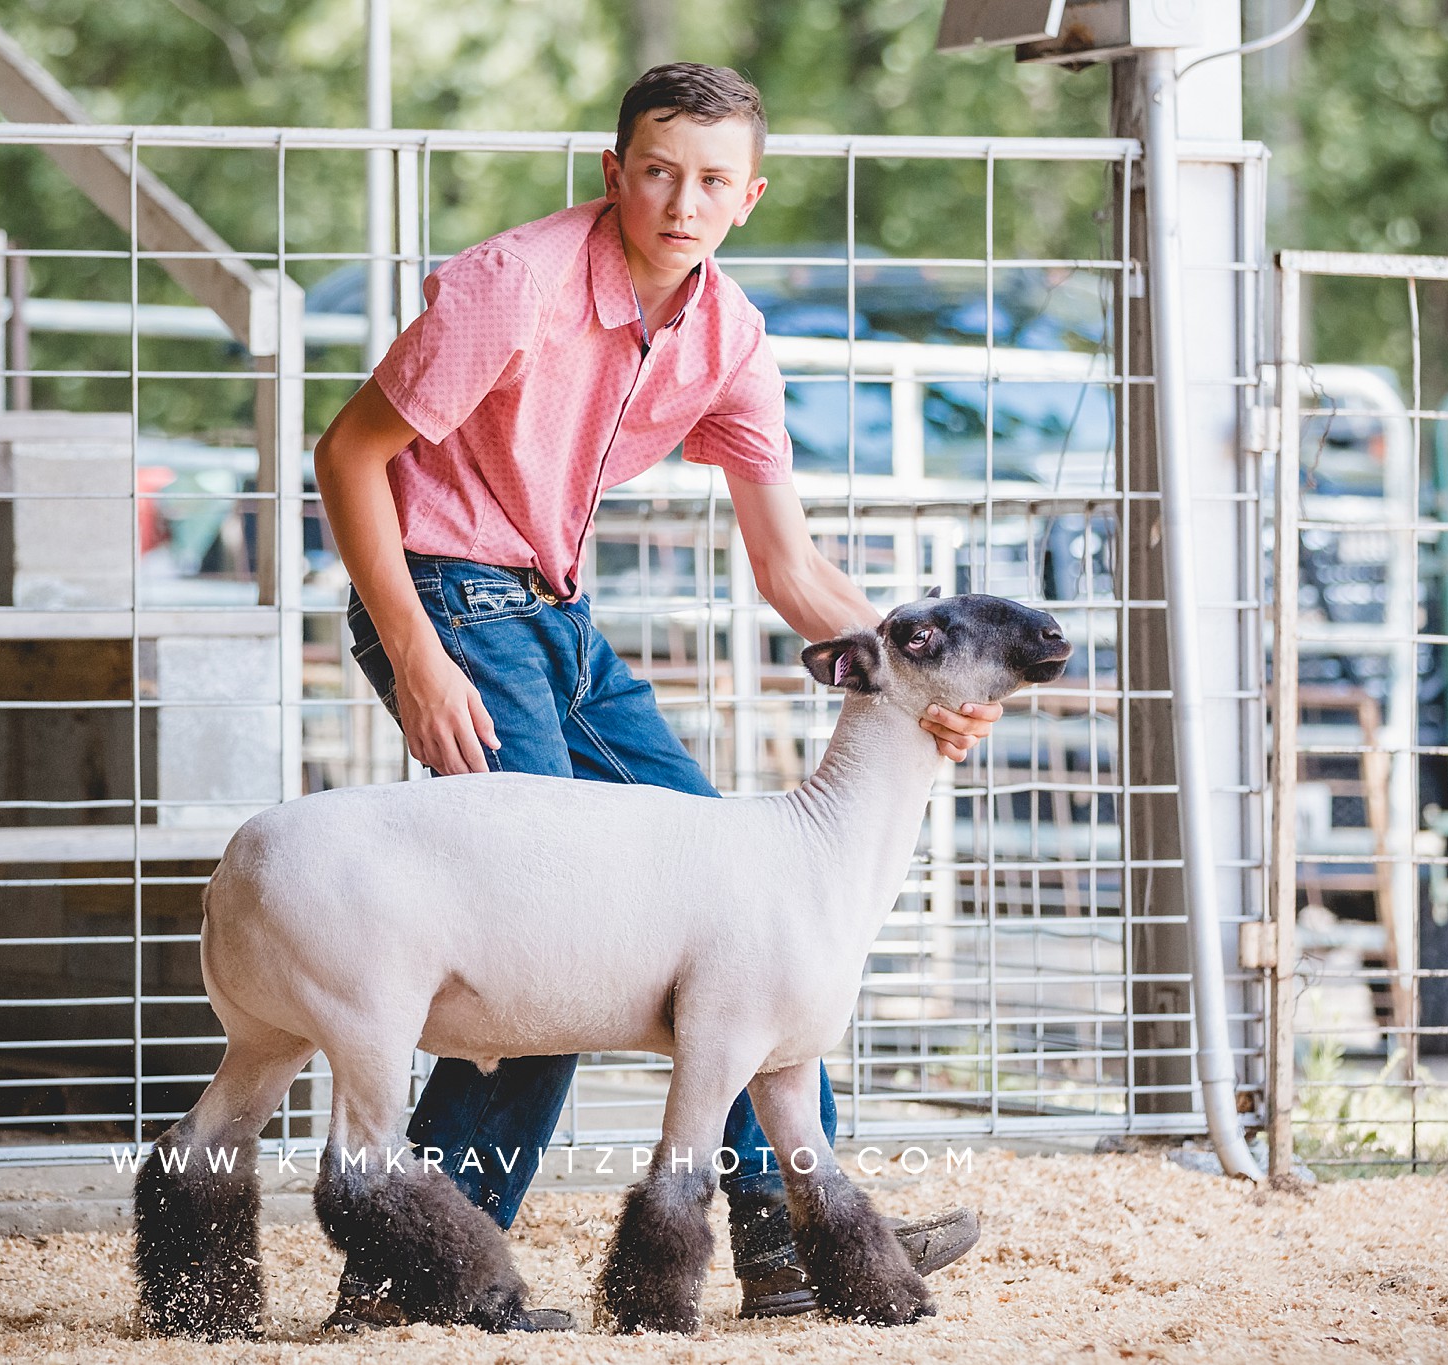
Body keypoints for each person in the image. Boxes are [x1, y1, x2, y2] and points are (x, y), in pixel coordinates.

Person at [311, 61, 993, 1330]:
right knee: (553, 932)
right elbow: (348, 454)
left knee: (754, 904)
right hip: (448, 602)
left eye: (713, 180)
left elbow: (787, 567)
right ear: (613, 171)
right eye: (659, 170)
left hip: (555, 615)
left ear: (749, 196)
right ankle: (419, 1275)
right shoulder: (507, 287)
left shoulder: (726, 333)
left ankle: (791, 1240)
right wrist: (412, 651)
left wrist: (915, 684)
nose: (683, 200)